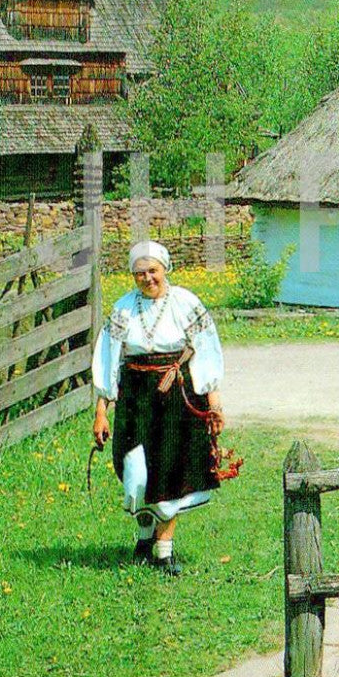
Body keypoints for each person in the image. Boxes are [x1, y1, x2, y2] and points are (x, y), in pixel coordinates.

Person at [91, 240, 231, 575]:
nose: (147, 278)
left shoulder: (186, 303)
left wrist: (213, 404)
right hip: (135, 398)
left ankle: (163, 551)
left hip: (176, 397)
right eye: (139, 273)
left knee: (171, 471)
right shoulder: (123, 310)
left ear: (164, 269)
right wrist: (101, 411)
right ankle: (143, 538)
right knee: (135, 471)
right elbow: (109, 360)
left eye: (152, 271)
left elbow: (206, 349)